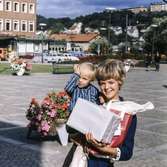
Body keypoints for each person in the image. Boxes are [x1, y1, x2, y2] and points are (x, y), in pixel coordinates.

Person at [85, 59, 137, 167]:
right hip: (85, 161)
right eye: (102, 83)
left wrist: (104, 149)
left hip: (105, 164)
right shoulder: (94, 103)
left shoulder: (128, 112)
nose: (106, 87)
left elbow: (127, 152)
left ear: (120, 81)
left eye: (111, 82)